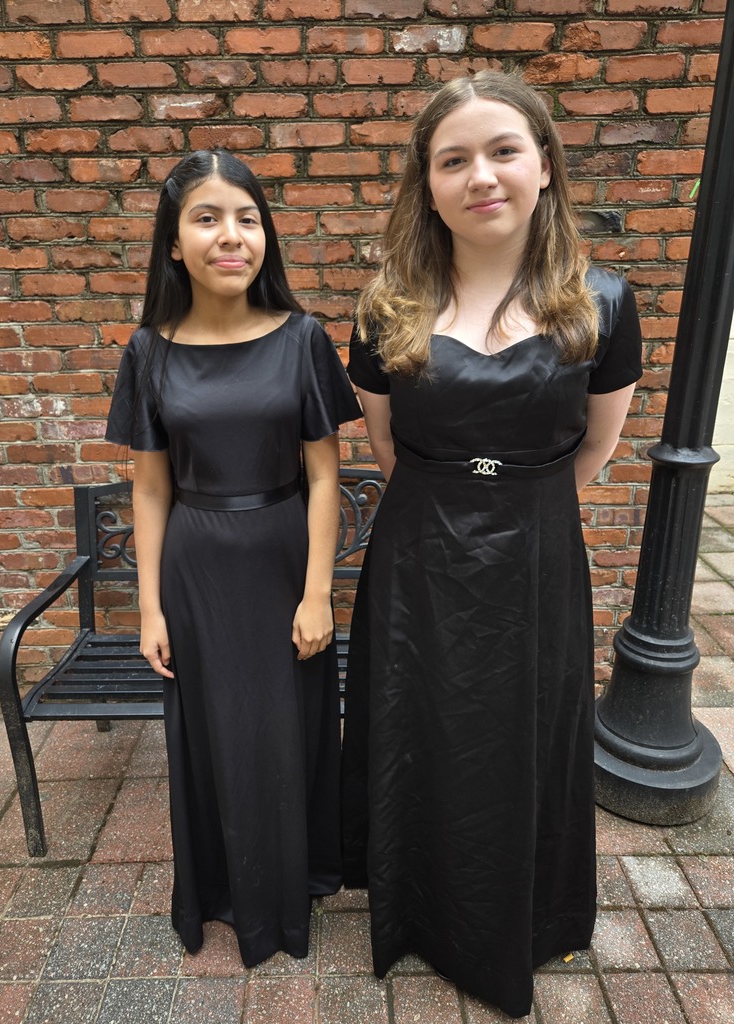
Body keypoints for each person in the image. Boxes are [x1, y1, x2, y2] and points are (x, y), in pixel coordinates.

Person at [340, 71, 643, 1019]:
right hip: (418, 559)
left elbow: (595, 449)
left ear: (544, 165)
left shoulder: (602, 300)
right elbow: (387, 448)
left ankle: (529, 915)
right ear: (426, 185)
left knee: (526, 737)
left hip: (537, 556)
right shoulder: (386, 304)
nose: (482, 176)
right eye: (453, 159)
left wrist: (515, 504)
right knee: (419, 727)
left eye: (504, 150)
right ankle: (420, 910)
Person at [105, 149, 360, 967]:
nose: (232, 236)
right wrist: (149, 607)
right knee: (213, 732)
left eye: (247, 218)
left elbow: (327, 478)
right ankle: (218, 888)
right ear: (173, 243)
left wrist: (318, 591)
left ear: (266, 236)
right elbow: (150, 490)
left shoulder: (304, 338)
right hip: (197, 568)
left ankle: (293, 887)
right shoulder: (149, 351)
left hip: (283, 556)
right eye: (208, 218)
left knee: (287, 731)